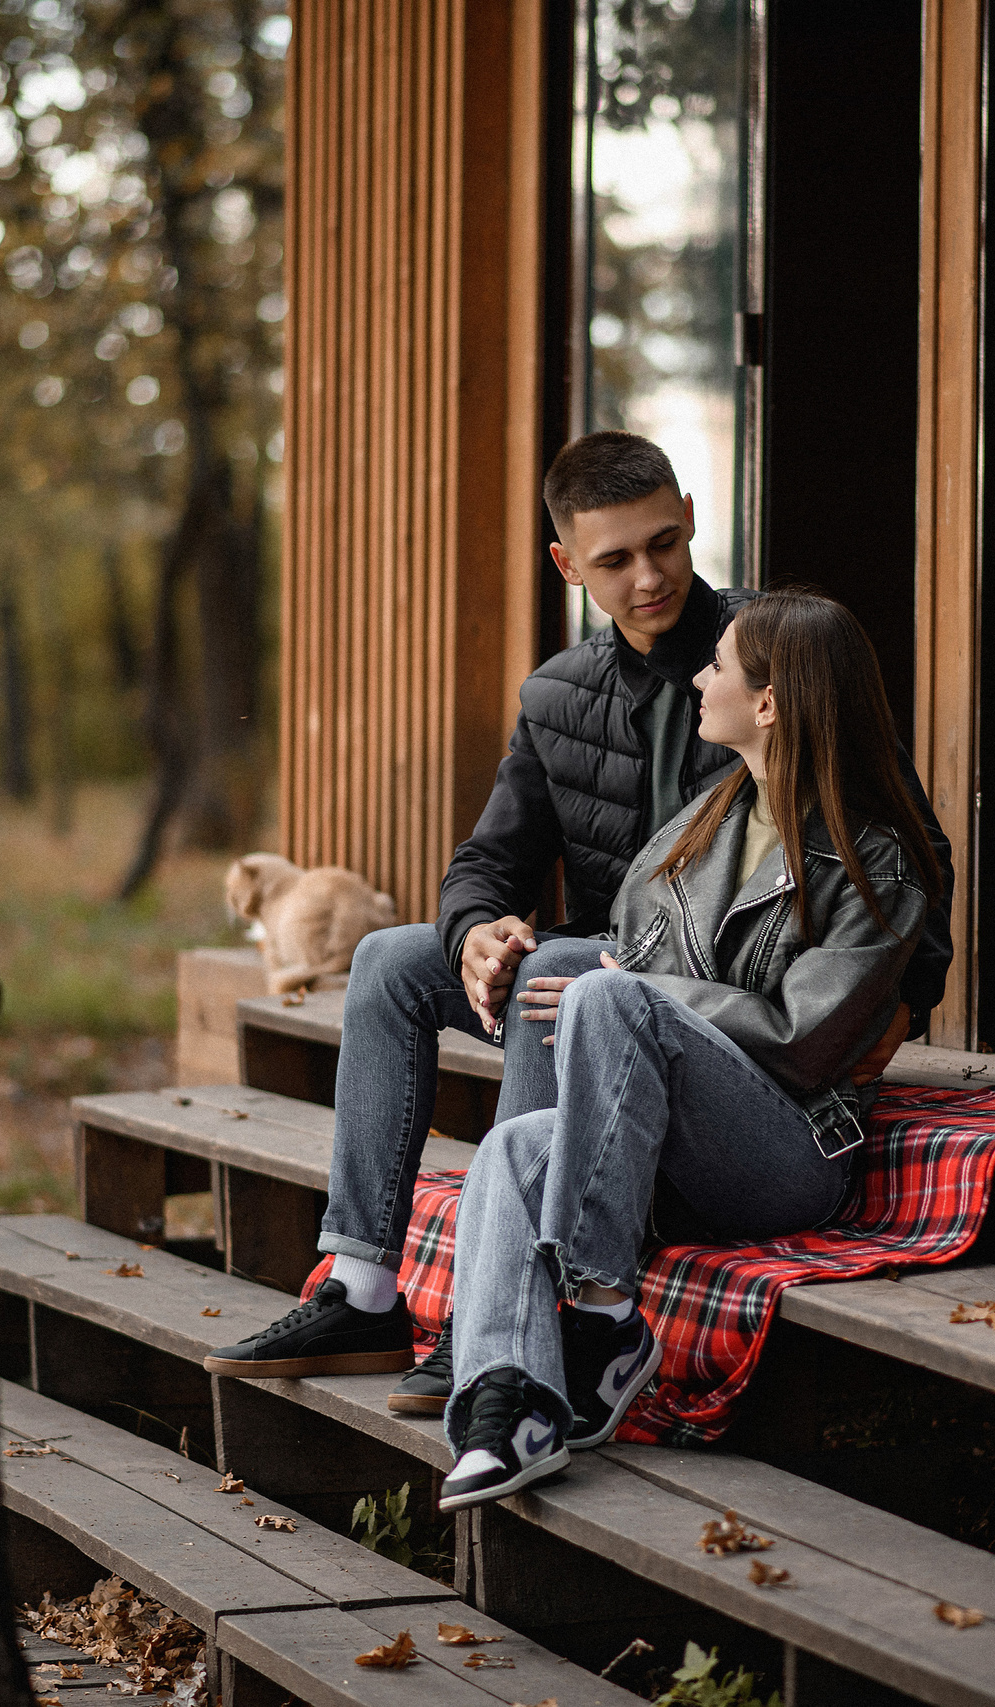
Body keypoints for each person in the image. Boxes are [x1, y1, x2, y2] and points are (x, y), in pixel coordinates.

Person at [203, 433, 954, 1409]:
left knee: (555, 962)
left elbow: (898, 846)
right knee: (394, 960)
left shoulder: (767, 657)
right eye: (616, 560)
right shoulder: (557, 697)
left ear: (687, 517)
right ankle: (362, 1285)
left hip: (705, 985)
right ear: (567, 566)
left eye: (666, 543)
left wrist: (901, 1001)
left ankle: (513, 1295)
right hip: (624, 956)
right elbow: (488, 860)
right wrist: (475, 930)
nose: (651, 576)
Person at [435, 589, 941, 1508]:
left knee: (611, 994)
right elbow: (627, 946)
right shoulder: (709, 817)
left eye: (718, 666)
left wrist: (633, 991)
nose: (699, 677)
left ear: (772, 700)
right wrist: (590, 976)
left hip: (789, 1149)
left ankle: (601, 1313)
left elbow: (804, 1040)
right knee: (509, 1149)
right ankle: (510, 1406)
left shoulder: (877, 860)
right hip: (672, 1143)